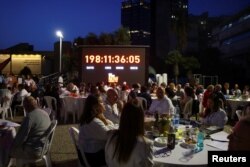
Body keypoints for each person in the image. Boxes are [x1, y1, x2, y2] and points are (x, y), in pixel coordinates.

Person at [105, 102, 154, 167]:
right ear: (141, 120)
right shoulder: (146, 144)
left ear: (123, 117)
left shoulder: (111, 137)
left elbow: (107, 160)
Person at [79, 95, 114, 167]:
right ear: (94, 106)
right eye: (101, 102)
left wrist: (108, 123)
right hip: (93, 156)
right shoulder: (94, 122)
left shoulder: (90, 118)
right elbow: (109, 135)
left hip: (90, 153)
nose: (103, 103)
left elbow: (108, 127)